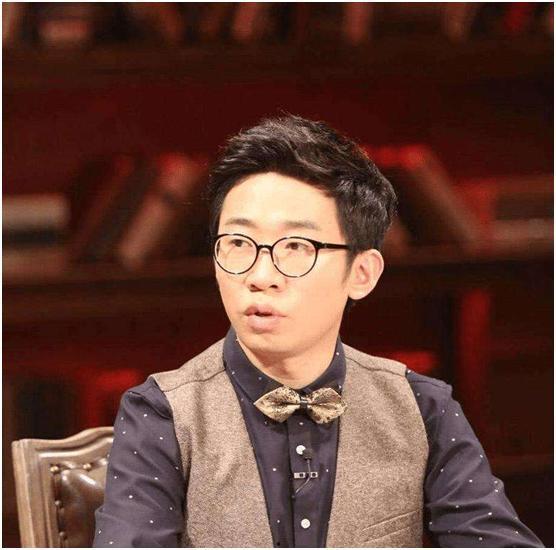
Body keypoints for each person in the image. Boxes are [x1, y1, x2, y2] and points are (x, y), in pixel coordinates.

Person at [93, 114, 544, 548]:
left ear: (362, 274)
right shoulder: (160, 413)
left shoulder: (423, 408)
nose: (261, 275)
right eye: (238, 243)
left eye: (296, 246)